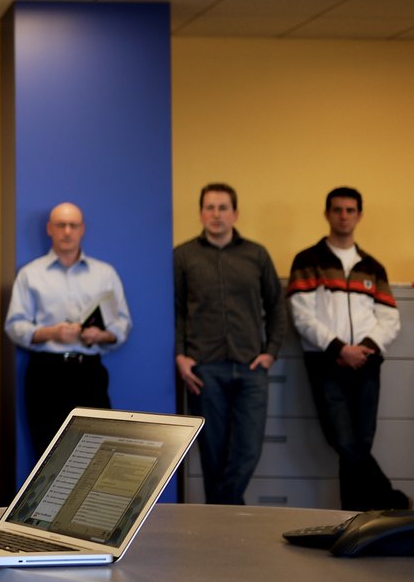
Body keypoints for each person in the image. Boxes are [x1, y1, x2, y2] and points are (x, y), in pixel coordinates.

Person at [287, 187, 406, 511]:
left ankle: (354, 518)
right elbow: (302, 315)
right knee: (343, 440)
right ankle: (394, 502)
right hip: (326, 363)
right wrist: (339, 349)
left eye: (350, 210)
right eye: (337, 209)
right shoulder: (308, 261)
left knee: (359, 443)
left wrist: (364, 349)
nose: (343, 216)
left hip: (366, 364)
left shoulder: (373, 267)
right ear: (327, 214)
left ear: (359, 215)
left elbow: (389, 317)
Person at [174, 183, 286, 505]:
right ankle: (226, 527)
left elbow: (277, 306)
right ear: (200, 213)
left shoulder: (256, 254)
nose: (216, 214)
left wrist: (271, 352)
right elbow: (177, 310)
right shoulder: (183, 256)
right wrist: (181, 356)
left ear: (235, 213)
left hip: (251, 367)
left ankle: (221, 514)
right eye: (209, 207)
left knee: (248, 450)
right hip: (204, 369)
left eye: (223, 208)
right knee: (212, 453)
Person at [5, 202, 132, 454]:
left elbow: (123, 323)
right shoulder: (30, 274)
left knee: (97, 451)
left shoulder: (104, 274)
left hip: (89, 372)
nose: (67, 231)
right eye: (60, 225)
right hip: (46, 372)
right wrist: (52, 333)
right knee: (47, 452)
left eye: (73, 225)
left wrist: (102, 335)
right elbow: (14, 325)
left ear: (82, 229)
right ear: (49, 229)